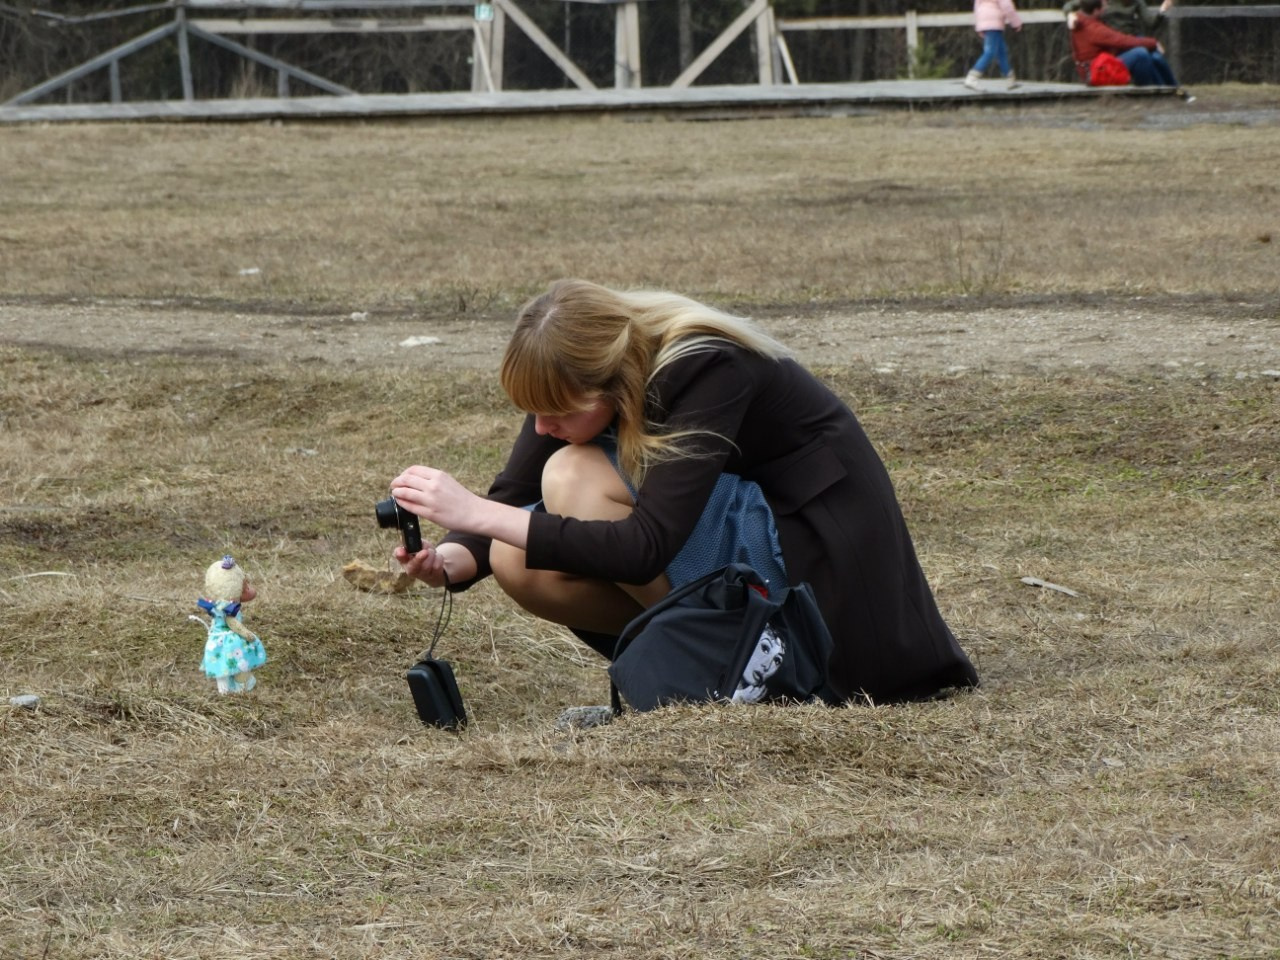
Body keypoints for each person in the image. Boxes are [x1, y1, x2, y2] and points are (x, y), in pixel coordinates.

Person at [389, 280, 979, 706]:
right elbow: (513, 495)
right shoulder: (582, 380)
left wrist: (476, 511)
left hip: (819, 567)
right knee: (514, 556)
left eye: (556, 412)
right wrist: (452, 560)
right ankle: (707, 671)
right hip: (749, 549)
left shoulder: (708, 365)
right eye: (533, 413)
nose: (542, 428)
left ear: (613, 380)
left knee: (570, 476)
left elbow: (645, 548)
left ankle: (738, 663)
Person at [1069, 0, 1181, 89]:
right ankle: (1151, 91)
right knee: (1140, 54)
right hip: (1097, 70)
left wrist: (1162, 11)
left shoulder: (1081, 18)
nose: (1105, 7)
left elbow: (1149, 24)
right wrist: (1153, 42)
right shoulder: (1095, 29)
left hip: (1100, 63)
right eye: (1103, 6)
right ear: (1096, 10)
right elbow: (1121, 40)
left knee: (1154, 56)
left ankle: (1171, 88)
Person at [964, 0, 1023, 92]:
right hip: (994, 21)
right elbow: (1007, 7)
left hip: (984, 19)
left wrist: (979, 25)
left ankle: (1010, 79)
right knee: (990, 52)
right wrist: (1016, 23)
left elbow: (977, 7)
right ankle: (972, 77)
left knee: (1001, 51)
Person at [1063, 0, 1171, 37]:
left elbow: (1151, 24)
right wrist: (1071, 16)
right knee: (1143, 55)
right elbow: (1069, 6)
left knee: (1157, 58)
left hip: (1132, 36)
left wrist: (1163, 9)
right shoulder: (1104, 1)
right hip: (1111, 38)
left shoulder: (1137, 2)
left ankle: (1172, 87)